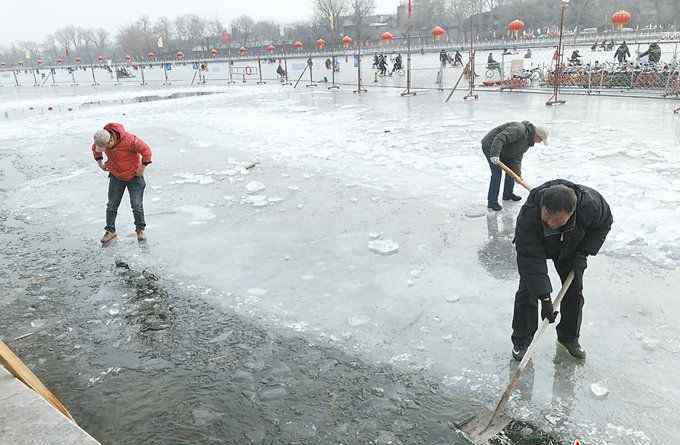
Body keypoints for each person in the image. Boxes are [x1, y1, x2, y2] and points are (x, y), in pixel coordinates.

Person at [511, 180, 613, 361]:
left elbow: (604, 223)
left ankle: (569, 338)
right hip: (538, 247)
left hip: (570, 247)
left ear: (572, 213)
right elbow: (530, 258)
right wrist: (545, 297)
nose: (550, 224)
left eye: (557, 221)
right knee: (528, 290)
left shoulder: (591, 205)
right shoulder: (529, 214)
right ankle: (522, 341)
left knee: (573, 291)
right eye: (546, 218)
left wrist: (584, 251)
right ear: (542, 206)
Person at [92, 124, 152, 245]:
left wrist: (142, 167)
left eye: (105, 147)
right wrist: (100, 163)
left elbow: (146, 151)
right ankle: (110, 231)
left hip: (134, 176)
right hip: (116, 175)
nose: (103, 149)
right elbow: (95, 149)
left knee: (136, 205)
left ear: (111, 140)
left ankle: (140, 230)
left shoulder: (130, 140)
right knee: (112, 205)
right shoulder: (101, 140)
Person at [481, 121, 549, 211]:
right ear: (536, 135)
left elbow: (516, 158)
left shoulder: (527, 142)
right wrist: (495, 154)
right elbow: (499, 138)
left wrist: (517, 175)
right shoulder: (519, 129)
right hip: (491, 145)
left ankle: (507, 194)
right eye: (540, 140)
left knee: (511, 171)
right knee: (497, 174)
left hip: (504, 150)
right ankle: (492, 202)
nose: (540, 142)